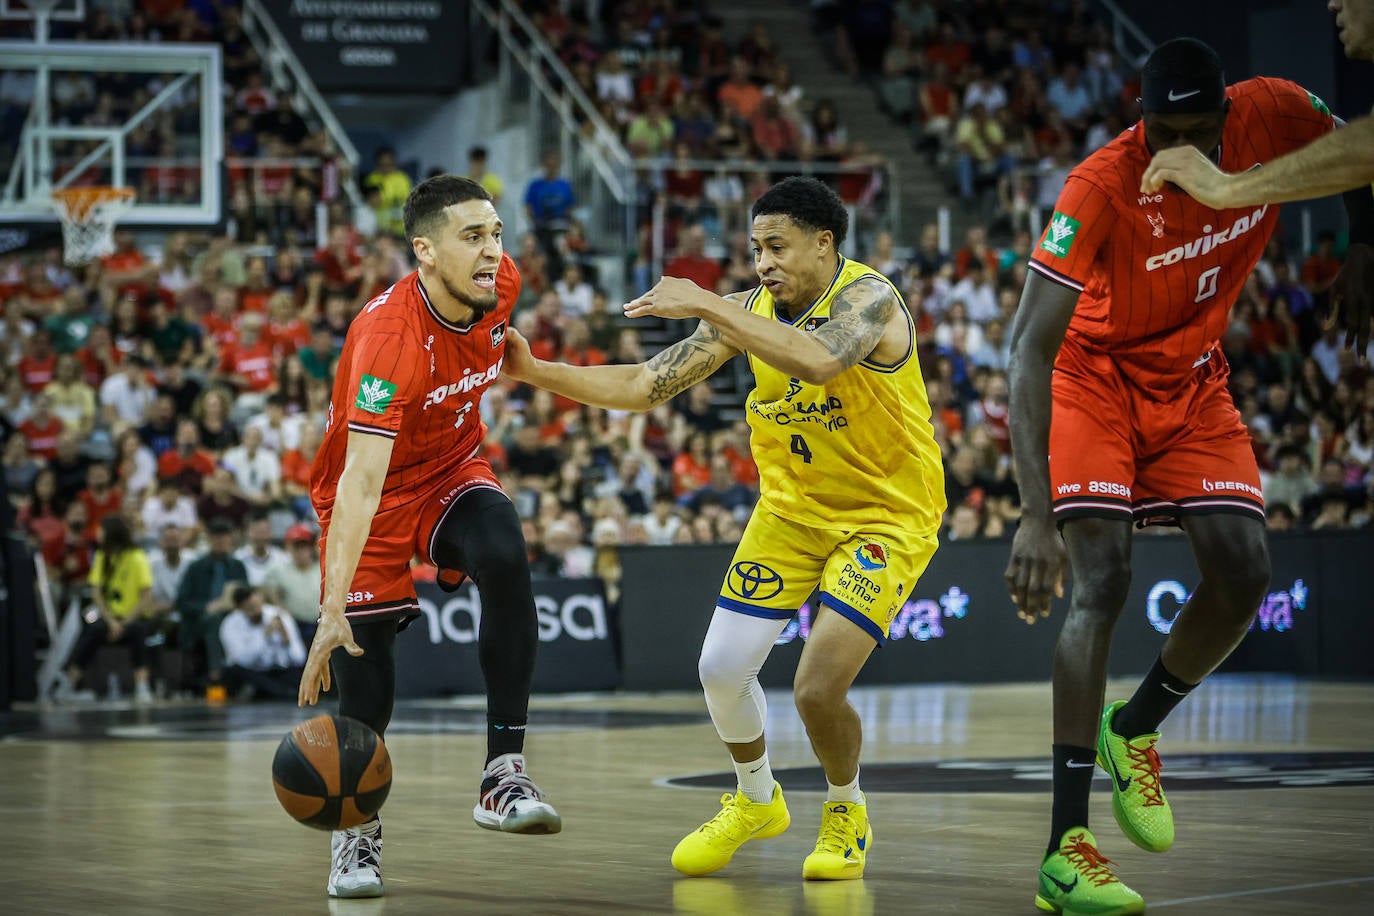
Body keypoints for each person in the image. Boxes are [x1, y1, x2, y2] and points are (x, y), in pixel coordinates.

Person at [1004, 38, 1365, 914]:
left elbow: (1359, 147)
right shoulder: (1097, 185)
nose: (1172, 145)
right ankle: (1066, 847)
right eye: (1157, 127)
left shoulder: (1277, 107)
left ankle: (1134, 731)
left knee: (1245, 571)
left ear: (1227, 117)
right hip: (1094, 379)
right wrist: (1032, 515)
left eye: (1192, 131)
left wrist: (1364, 246)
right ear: (1139, 114)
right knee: (1104, 579)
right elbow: (1027, 353)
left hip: (1193, 379)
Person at [503, 176, 945, 881]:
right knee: (719, 669)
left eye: (777, 246)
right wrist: (535, 371)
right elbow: (646, 384)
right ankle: (755, 797)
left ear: (824, 242)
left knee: (815, 690)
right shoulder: (744, 311)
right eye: (755, 248)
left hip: (884, 517)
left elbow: (821, 360)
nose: (762, 261)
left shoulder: (870, 298)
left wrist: (706, 302)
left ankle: (845, 809)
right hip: (790, 514)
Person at [298, 175, 561, 900]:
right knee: (364, 661)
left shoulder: (499, 283)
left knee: (506, 551)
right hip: (371, 495)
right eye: (472, 237)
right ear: (425, 250)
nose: (492, 251)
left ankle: (501, 774)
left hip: (450, 468)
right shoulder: (387, 339)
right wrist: (330, 609)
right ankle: (357, 828)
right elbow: (359, 481)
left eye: (496, 234)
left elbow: (505, 341)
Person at [1139, 2, 1374, 349]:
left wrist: (1228, 189)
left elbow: (1360, 148)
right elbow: (1353, 147)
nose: (1333, 3)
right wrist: (1363, 246)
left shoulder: (1272, 108)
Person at [62, 514, 157, 703]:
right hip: (109, 617)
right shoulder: (101, 556)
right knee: (91, 631)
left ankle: (142, 686)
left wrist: (124, 622)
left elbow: (146, 595)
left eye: (102, 530)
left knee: (139, 631)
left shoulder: (137, 557)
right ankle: (69, 685)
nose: (98, 533)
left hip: (133, 616)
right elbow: (96, 593)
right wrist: (111, 621)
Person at [219, 584, 306, 700]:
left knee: (298, 674)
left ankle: (272, 692)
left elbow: (299, 658)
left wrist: (286, 640)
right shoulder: (230, 624)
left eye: (258, 605)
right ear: (240, 608)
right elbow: (242, 660)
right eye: (250, 608)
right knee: (237, 672)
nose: (257, 611)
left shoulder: (278, 615)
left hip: (277, 669)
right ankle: (281, 693)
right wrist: (265, 635)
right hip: (251, 671)